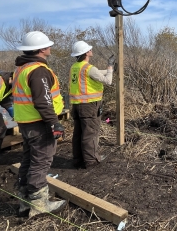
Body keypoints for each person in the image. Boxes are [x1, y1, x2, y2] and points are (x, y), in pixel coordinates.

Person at [12, 31, 66, 217]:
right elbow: (43, 101)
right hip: (39, 124)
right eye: (48, 45)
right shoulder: (38, 71)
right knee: (40, 162)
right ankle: (39, 204)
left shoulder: (22, 68)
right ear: (42, 49)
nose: (50, 48)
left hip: (27, 123)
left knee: (28, 160)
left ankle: (24, 201)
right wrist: (54, 123)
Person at [69, 41, 113, 169]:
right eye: (89, 49)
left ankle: (78, 159)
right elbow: (108, 81)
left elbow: (95, 73)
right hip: (89, 106)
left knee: (79, 133)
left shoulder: (76, 67)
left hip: (77, 105)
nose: (91, 50)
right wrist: (110, 68)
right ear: (86, 53)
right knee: (90, 133)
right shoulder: (89, 68)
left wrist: (109, 69)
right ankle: (91, 160)